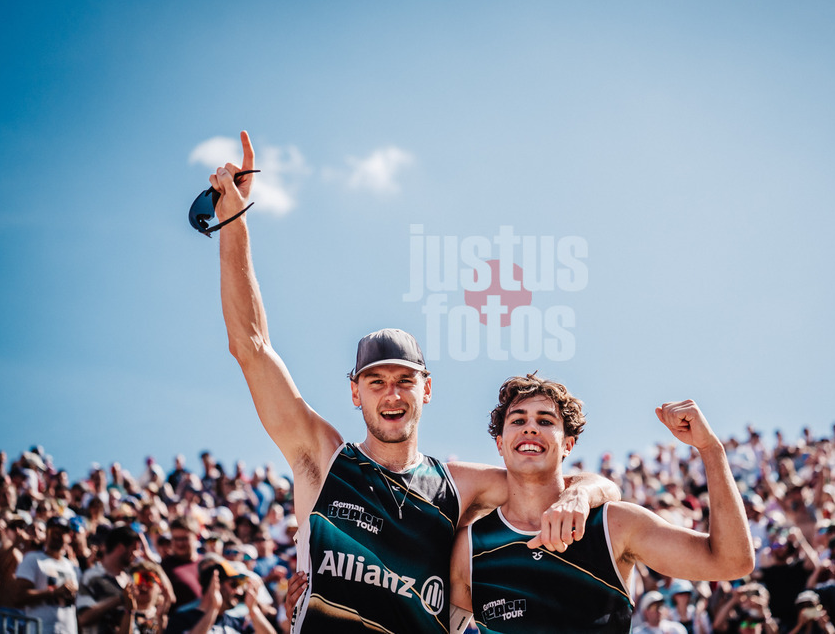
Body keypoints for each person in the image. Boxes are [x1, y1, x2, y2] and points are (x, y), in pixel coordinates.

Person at [207, 132, 619, 633]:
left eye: (405, 380)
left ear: (426, 390)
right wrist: (234, 219)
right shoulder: (323, 459)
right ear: (354, 393)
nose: (392, 393)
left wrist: (580, 496)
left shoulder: (458, 485)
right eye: (375, 382)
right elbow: (251, 348)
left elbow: (574, 482)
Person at [449, 373, 754, 633]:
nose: (530, 428)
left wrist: (710, 448)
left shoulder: (613, 525)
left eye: (545, 420)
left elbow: (731, 562)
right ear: (501, 444)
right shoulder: (471, 548)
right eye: (518, 420)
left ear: (568, 444)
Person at [164, 556, 273, 634]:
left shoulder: (237, 622)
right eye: (234, 585)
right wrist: (213, 609)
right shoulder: (181, 619)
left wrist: (253, 609)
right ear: (214, 585)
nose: (239, 592)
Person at [13, 516, 80, 634]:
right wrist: (53, 592)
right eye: (53, 532)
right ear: (46, 535)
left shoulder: (72, 567)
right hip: (40, 630)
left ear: (68, 537)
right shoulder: (33, 559)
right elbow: (18, 597)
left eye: (61, 532)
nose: (56, 536)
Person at [77, 525, 144, 634]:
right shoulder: (92, 577)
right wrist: (120, 599)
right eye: (134, 549)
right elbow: (83, 618)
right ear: (120, 548)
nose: (137, 554)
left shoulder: (128, 578)